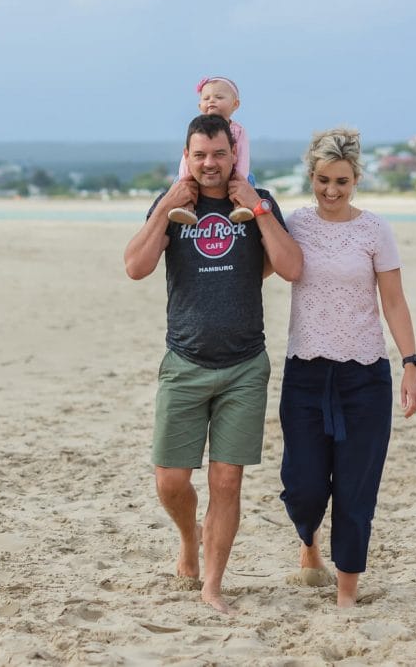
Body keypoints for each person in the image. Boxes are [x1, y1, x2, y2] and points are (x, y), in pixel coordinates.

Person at [124, 113, 303, 614]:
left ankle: (213, 585)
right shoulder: (172, 203)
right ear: (187, 155)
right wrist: (164, 210)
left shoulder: (257, 201)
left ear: (233, 154)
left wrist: (259, 211)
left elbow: (292, 268)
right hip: (184, 361)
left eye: (219, 154)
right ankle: (189, 539)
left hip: (245, 364)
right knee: (171, 481)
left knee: (227, 480)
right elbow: (136, 267)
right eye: (200, 154)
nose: (210, 163)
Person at [279, 127, 416, 608]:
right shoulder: (296, 224)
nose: (332, 191)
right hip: (305, 374)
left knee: (355, 487)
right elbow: (265, 265)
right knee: (302, 485)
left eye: (341, 181)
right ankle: (308, 544)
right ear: (312, 177)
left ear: (356, 178)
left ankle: (346, 594)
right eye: (323, 180)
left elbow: (396, 302)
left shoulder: (375, 230)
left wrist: (410, 364)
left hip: (364, 376)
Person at [168, 76, 256, 226]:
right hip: (196, 175)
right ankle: (186, 207)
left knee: (250, 181)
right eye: (206, 98)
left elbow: (243, 156)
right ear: (199, 105)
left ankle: (240, 206)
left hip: (234, 173)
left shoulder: (238, 131)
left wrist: (239, 178)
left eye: (219, 97)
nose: (211, 101)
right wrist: (185, 178)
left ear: (235, 104)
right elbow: (187, 159)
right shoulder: (197, 129)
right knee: (178, 183)